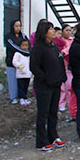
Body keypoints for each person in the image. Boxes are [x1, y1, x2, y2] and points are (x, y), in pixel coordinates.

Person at [30, 21, 67, 151]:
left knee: (53, 113)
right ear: (44, 32)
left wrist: (62, 77)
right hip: (44, 86)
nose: (53, 31)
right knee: (43, 113)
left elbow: (60, 62)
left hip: (56, 85)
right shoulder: (38, 48)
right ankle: (41, 141)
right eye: (51, 29)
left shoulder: (53, 46)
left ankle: (53, 136)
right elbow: (34, 67)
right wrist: (46, 79)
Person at [4, 19, 28, 104]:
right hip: (12, 62)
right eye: (16, 26)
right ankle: (13, 97)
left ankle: (22, 96)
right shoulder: (8, 37)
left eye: (19, 26)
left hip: (23, 63)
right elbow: (13, 47)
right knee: (13, 80)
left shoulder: (23, 36)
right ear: (12, 27)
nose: (18, 28)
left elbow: (28, 45)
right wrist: (25, 52)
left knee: (23, 81)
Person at [55, 24, 74, 114]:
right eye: (66, 30)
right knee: (62, 87)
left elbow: (71, 49)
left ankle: (70, 104)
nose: (68, 32)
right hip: (60, 65)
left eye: (70, 30)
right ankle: (61, 104)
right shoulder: (58, 40)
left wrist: (65, 51)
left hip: (69, 66)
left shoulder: (72, 40)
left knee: (69, 85)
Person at [12, 38, 32, 107]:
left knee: (26, 87)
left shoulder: (28, 54)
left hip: (27, 74)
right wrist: (20, 66)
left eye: (26, 45)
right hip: (21, 74)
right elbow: (14, 61)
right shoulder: (18, 53)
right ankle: (21, 99)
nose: (25, 47)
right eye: (23, 45)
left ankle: (25, 98)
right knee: (21, 87)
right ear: (20, 46)